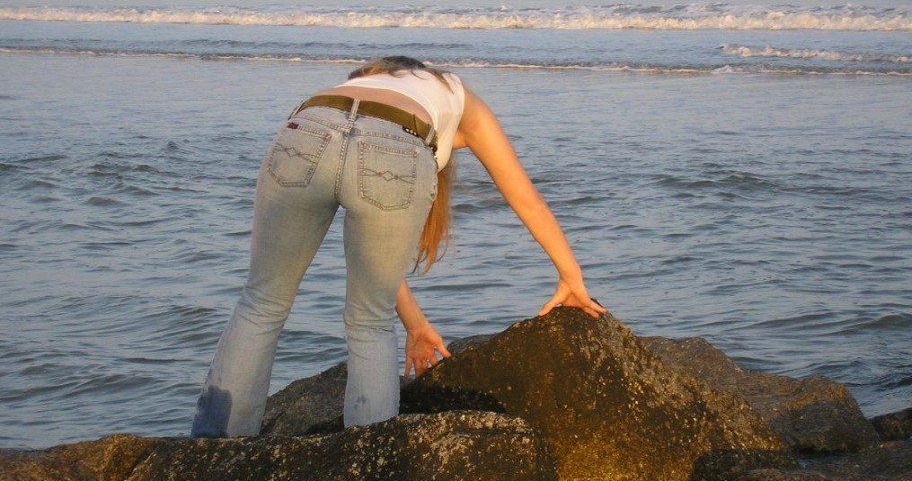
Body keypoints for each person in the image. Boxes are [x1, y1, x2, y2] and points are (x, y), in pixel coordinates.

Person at [191, 56, 605, 438]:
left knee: (260, 305)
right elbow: (524, 196)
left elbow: (372, 255)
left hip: (309, 123)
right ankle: (369, 470)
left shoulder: (357, 84)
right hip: (398, 140)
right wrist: (571, 275)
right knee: (369, 323)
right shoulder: (457, 95)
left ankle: (208, 454)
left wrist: (416, 324)